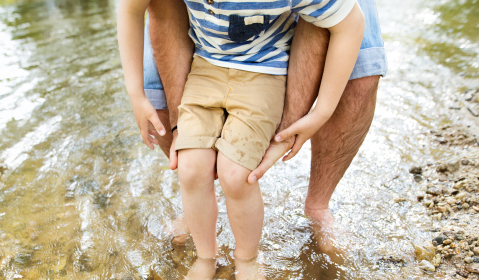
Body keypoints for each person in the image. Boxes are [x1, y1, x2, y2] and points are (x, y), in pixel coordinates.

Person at [118, 0, 365, 280]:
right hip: (205, 70)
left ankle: (247, 259)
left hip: (264, 73)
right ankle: (206, 256)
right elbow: (130, 8)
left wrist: (322, 111)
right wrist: (136, 94)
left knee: (237, 175)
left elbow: (351, 24)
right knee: (191, 169)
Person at [145, 0, 387, 257]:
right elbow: (153, 11)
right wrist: (175, 123)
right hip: (210, 60)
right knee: (170, 124)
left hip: (266, 64)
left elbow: (347, 23)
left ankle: (315, 208)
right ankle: (198, 217)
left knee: (360, 72)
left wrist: (314, 115)